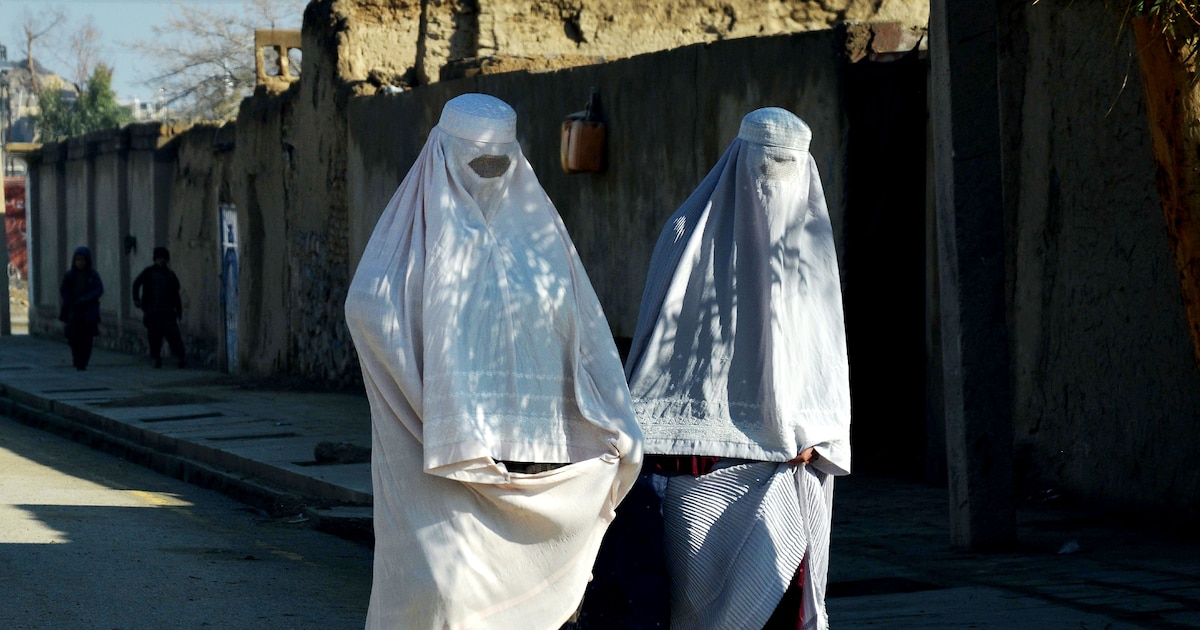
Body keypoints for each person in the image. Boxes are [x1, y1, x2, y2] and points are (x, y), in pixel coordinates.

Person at [344, 93, 642, 630]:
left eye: (499, 162)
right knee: (447, 598)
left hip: (538, 465)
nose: (487, 175)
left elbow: (586, 336)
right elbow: (368, 308)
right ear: (441, 154)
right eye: (474, 163)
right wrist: (437, 406)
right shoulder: (408, 242)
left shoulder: (542, 241)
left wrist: (611, 424)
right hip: (435, 462)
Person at [623, 107, 851, 630]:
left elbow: (823, 359)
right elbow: (659, 346)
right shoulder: (686, 232)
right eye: (767, 162)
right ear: (741, 158)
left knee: (778, 606)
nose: (776, 179)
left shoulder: (810, 251)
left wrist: (823, 436)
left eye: (789, 165)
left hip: (787, 469)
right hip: (698, 467)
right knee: (693, 608)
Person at [132, 246, 186, 368]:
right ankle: (156, 358)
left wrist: (179, 309)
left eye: (164, 258)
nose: (161, 261)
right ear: (155, 259)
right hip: (153, 311)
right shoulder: (149, 272)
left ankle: (180, 358)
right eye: (159, 258)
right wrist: (137, 300)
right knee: (154, 338)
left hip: (167, 312)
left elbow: (176, 294)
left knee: (174, 337)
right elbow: (136, 284)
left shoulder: (170, 275)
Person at [59, 246, 104, 371]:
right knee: (73, 337)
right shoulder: (70, 275)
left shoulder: (92, 275)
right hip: (73, 311)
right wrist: (69, 300)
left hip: (88, 312)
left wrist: (86, 298)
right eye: (77, 260)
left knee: (86, 339)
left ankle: (82, 362)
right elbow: (64, 289)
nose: (80, 263)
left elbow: (99, 289)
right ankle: (76, 357)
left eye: (82, 260)